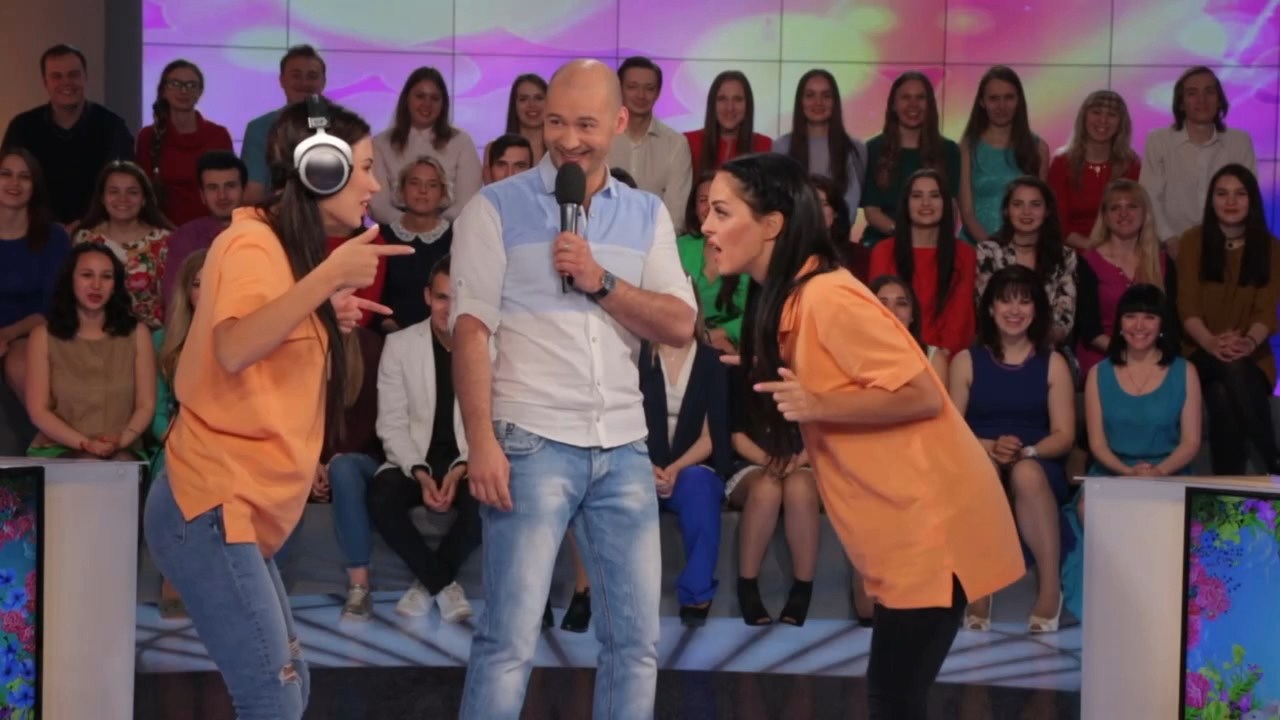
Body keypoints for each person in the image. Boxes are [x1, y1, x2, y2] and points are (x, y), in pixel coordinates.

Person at [701, 151, 1022, 719]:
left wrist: (819, 403)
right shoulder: (797, 296)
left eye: (722, 212)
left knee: (893, 701)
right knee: (894, 701)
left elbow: (922, 394)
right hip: (904, 529)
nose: (706, 225)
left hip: (931, 526)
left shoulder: (827, 296)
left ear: (771, 224)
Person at [141, 96, 412, 719]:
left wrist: (322, 312)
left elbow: (267, 331)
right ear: (321, 171)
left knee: (289, 688)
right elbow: (235, 346)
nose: (374, 184)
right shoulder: (253, 243)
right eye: (364, 167)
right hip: (211, 503)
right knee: (275, 695)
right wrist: (325, 282)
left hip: (229, 508)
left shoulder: (281, 251)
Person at [451, 59, 696, 720]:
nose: (567, 139)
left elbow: (679, 323)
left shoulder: (646, 213)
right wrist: (480, 441)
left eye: (585, 124)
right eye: (555, 122)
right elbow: (470, 332)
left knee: (635, 645)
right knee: (508, 642)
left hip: (623, 446)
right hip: (529, 442)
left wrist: (602, 281)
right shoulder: (493, 208)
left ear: (618, 122)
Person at [949, 266, 1076, 634]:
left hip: (1036, 457)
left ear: (1037, 310)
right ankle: (980, 586)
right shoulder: (965, 361)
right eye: (1006, 301)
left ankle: (1050, 589)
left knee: (1026, 474)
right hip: (978, 453)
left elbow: (1064, 435)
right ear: (991, 309)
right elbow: (951, 431)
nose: (1015, 310)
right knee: (982, 472)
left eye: (1024, 301)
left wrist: (1028, 451)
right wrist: (989, 447)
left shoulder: (1053, 363)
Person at [370, 255, 478, 622]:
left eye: (457, 299)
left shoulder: (488, 345)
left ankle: (427, 582)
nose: (449, 308)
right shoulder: (400, 345)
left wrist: (460, 469)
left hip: (468, 460)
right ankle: (443, 584)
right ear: (428, 297)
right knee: (381, 495)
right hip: (413, 458)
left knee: (489, 500)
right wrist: (419, 471)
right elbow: (392, 423)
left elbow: (492, 424)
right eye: (442, 297)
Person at [1175, 164, 1280, 475]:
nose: (1230, 202)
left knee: (1222, 393)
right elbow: (1187, 307)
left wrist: (1246, 343)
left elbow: (1266, 311)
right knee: (1228, 369)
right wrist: (1211, 342)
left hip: (1252, 356)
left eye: (1240, 194)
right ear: (1211, 200)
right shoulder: (1192, 241)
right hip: (1198, 350)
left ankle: (1225, 490)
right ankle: (1273, 459)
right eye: (1222, 194)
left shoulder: (1271, 247)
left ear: (1252, 200)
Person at [24, 243, 156, 461]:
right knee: (89, 463)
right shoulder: (43, 336)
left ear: (115, 285)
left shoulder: (137, 334)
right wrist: (85, 443)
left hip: (123, 446)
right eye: (87, 275)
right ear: (70, 280)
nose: (96, 285)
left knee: (120, 462)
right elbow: (39, 411)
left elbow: (146, 404)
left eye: (106, 277)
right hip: (60, 446)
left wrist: (122, 439)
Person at [2, 44, 134, 228]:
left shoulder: (113, 127)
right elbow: (8, 184)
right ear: (45, 82)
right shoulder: (22, 127)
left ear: (85, 77)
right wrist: (52, 229)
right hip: (35, 231)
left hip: (99, 230)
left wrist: (83, 225)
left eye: (73, 75)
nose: (66, 82)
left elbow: (124, 187)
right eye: (57, 76)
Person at [1141, 66, 1257, 256]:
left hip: (1227, 248)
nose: (1201, 100)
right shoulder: (1158, 141)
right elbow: (1149, 195)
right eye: (1192, 93)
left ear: (1219, 100)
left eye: (1209, 92)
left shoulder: (1240, 141)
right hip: (1171, 247)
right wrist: (1169, 239)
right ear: (1181, 103)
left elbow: (1248, 197)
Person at [868, 169, 976, 354]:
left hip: (945, 356)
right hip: (893, 351)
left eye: (934, 196)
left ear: (946, 204)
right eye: (917, 196)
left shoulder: (965, 254)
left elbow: (960, 318)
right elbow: (879, 313)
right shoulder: (883, 251)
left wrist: (938, 358)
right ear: (906, 204)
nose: (926, 203)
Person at [0, 148, 71, 399]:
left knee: (21, 366)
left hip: (30, 332)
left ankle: (50, 425)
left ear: (35, 186)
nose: (14, 183)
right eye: (5, 174)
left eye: (24, 176)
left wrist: (7, 334)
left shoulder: (54, 238)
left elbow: (53, 306)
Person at [860, 71, 961, 247]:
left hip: (933, 245)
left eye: (920, 98)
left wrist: (926, 241)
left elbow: (950, 210)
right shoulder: (872, 149)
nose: (913, 105)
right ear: (893, 105)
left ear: (930, 105)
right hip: (883, 242)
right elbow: (872, 211)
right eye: (906, 97)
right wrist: (907, 237)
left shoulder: (949, 150)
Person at [371, 67, 481, 225]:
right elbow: (377, 204)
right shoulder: (381, 143)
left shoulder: (462, 142)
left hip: (449, 229)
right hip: (393, 228)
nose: (427, 104)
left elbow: (468, 201)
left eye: (435, 98)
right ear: (406, 99)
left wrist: (436, 227)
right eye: (420, 96)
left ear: (443, 104)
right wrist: (406, 224)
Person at [73, 161, 175, 330]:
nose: (123, 199)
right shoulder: (84, 239)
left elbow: (175, 299)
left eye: (132, 192)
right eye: (114, 191)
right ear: (102, 198)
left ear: (144, 199)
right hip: (95, 331)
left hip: (152, 333)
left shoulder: (165, 240)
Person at [135, 59, 234, 226]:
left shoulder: (219, 135)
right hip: (161, 230)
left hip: (211, 229)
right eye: (175, 84)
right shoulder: (148, 137)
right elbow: (143, 194)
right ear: (164, 90)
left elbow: (228, 190)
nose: (183, 91)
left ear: (200, 92)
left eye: (191, 85)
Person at [958, 66, 1050, 244]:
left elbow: (1040, 209)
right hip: (975, 248)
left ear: (1018, 100)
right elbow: (967, 213)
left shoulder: (1038, 148)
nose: (1002, 106)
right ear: (982, 102)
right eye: (994, 98)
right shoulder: (967, 147)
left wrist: (1016, 251)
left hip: (1023, 249)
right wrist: (994, 249)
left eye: (1009, 97)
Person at [607, 57, 693, 232]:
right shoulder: (601, 137)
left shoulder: (676, 144)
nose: (641, 95)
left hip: (657, 244)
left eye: (649, 88)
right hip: (601, 241)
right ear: (619, 90)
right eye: (632, 87)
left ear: (658, 93)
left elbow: (676, 217)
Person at [1047, 90, 1140, 249]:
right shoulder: (1061, 162)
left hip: (1120, 249)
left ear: (1121, 123)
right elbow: (1058, 222)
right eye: (1096, 112)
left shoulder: (1131, 164)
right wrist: (1093, 248)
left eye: (1111, 114)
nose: (1103, 120)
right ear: (1084, 117)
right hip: (1072, 252)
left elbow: (1135, 217)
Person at [239, 45, 326, 203]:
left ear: (323, 82)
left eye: (312, 76)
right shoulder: (259, 129)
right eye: (296, 75)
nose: (304, 83)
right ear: (282, 81)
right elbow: (253, 194)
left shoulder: (344, 127)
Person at [377, 156, 454, 333]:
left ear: (442, 193)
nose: (422, 191)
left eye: (432, 185)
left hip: (443, 334)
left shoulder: (457, 238)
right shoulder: (381, 237)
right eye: (414, 183)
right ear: (402, 189)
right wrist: (388, 325)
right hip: (387, 335)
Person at [676, 170, 749, 354]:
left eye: (718, 202)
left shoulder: (748, 251)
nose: (709, 207)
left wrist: (721, 334)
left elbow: (758, 313)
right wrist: (700, 337)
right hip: (685, 341)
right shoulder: (679, 247)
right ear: (694, 208)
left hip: (736, 345)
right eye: (703, 200)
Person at [161, 151, 247, 306]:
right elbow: (174, 301)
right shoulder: (185, 237)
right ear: (202, 195)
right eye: (213, 188)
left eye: (230, 186)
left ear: (244, 190)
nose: (222, 196)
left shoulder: (265, 232)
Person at [774, 69, 866, 213]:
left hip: (839, 226)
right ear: (800, 102)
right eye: (810, 95)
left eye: (826, 96)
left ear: (835, 102)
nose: (818, 102)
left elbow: (852, 204)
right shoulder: (781, 147)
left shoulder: (855, 149)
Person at [685, 71, 772, 177]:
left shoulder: (765, 146)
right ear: (712, 104)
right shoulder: (687, 143)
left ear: (748, 105)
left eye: (738, 99)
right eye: (722, 99)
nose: (730, 108)